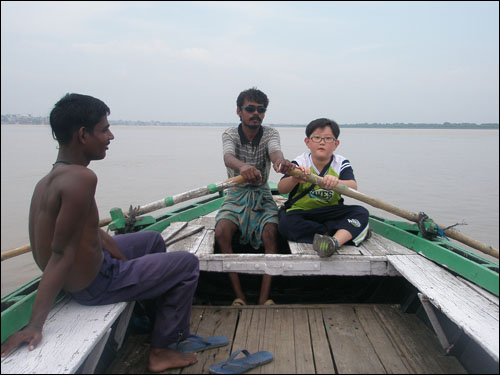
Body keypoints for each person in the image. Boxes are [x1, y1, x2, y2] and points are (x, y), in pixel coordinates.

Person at [0, 93, 200, 372]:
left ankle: (148, 320)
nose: (111, 136)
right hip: (95, 284)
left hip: (91, 272)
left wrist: (120, 255)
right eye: (104, 129)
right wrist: (35, 324)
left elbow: (88, 229)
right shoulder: (82, 179)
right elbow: (60, 255)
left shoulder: (50, 180)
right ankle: (161, 350)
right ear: (83, 135)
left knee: (152, 240)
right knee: (187, 265)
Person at [214, 87, 294, 306]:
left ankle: (263, 299)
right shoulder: (230, 134)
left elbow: (275, 152)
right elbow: (228, 156)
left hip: (261, 193)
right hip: (235, 193)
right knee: (221, 231)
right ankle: (239, 296)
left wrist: (282, 163)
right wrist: (243, 167)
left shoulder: (270, 133)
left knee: (271, 232)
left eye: (261, 110)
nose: (255, 114)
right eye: (250, 109)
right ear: (239, 111)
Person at [277, 118, 370, 256]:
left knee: (361, 212)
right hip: (303, 212)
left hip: (331, 211)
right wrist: (295, 178)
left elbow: (353, 186)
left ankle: (334, 242)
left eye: (328, 138)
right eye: (317, 138)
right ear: (307, 142)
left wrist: (337, 183)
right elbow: (281, 188)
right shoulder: (300, 161)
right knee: (286, 224)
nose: (322, 142)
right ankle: (340, 233)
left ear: (336, 144)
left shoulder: (341, 163)